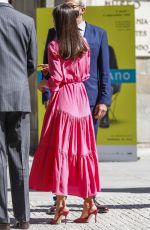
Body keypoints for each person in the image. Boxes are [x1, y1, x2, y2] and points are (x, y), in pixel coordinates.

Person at [29, 3, 100, 225]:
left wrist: (44, 83)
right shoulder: (84, 43)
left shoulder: (54, 45)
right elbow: (86, 74)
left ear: (60, 21)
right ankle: (89, 204)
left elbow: (57, 80)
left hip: (64, 101)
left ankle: (61, 206)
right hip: (81, 100)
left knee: (61, 152)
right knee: (82, 152)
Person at [41, 0, 111, 214]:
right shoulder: (53, 33)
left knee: (85, 150)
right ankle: (60, 198)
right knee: (63, 150)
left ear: (82, 8)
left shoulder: (98, 34)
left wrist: (104, 100)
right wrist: (47, 94)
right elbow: (47, 63)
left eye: (72, 4)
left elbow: (104, 70)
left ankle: (89, 197)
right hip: (67, 98)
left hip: (87, 100)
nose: (69, 8)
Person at [0, 1, 37, 230]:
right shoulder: (26, 21)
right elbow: (31, 62)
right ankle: (23, 218)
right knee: (20, 157)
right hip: (19, 97)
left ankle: (2, 219)